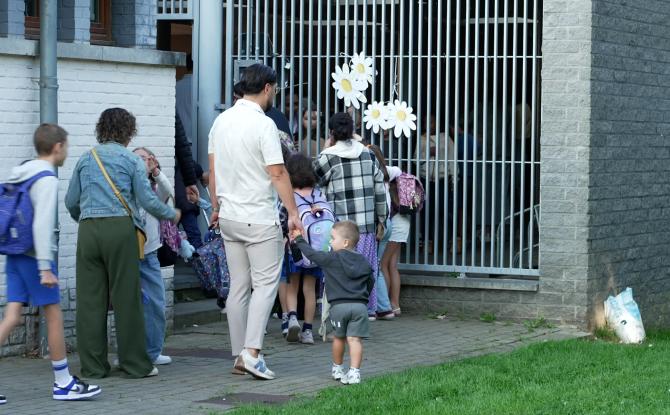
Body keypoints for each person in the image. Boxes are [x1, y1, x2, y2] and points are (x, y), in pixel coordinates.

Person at [65, 108, 180, 379]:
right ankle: (134, 364)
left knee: (91, 301)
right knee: (126, 298)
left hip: (89, 231)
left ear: (101, 129)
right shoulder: (131, 161)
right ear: (128, 132)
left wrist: (85, 219)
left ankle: (93, 366)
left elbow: (72, 202)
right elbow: (147, 200)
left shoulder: (86, 158)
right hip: (121, 230)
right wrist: (171, 214)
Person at [207, 64, 303, 380]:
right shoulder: (263, 125)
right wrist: (293, 212)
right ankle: (252, 353)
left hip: (229, 217)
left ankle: (239, 354)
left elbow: (213, 173)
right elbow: (277, 172)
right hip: (259, 217)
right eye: (274, 88)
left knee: (238, 287)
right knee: (264, 286)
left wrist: (216, 206)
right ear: (267, 88)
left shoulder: (220, 122)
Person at [0, 124, 102, 403]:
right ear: (58, 147)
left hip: (15, 252)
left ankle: (64, 382)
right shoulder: (45, 178)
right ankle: (63, 382)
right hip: (35, 257)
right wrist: (45, 266)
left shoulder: (21, 170)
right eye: (66, 146)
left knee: (11, 317)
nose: (67, 151)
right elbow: (42, 225)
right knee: (54, 315)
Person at [313, 112, 387, 320]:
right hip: (365, 226)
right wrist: (381, 219)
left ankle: (338, 309)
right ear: (353, 132)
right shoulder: (368, 154)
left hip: (339, 228)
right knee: (366, 268)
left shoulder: (328, 156)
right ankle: (367, 310)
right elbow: (380, 189)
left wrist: (325, 148)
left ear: (331, 133)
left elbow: (312, 180)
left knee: (338, 270)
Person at [291, 221, 374, 385]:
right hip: (359, 307)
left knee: (339, 338)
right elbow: (370, 280)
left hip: (339, 307)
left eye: (332, 238)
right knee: (355, 340)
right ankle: (355, 372)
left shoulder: (331, 258)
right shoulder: (363, 261)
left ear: (345, 242)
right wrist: (363, 296)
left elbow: (312, 254)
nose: (330, 241)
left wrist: (299, 239)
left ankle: (337, 368)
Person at [132, 147, 174, 366]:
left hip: (149, 252)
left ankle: (152, 351)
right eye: (137, 157)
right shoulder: (127, 184)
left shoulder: (154, 188)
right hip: (129, 252)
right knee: (130, 304)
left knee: (155, 302)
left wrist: (156, 171)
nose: (142, 161)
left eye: (146, 158)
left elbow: (170, 193)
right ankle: (131, 350)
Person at [283, 153, 327, 344]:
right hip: (317, 248)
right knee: (310, 289)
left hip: (296, 245)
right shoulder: (319, 193)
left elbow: (282, 219)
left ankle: (292, 317)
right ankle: (308, 330)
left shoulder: (289, 195)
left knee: (292, 285)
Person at [366, 145, 396, 320]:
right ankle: (384, 307)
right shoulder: (386, 174)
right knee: (376, 266)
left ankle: (379, 307)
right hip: (388, 222)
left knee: (373, 267)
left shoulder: (371, 176)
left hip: (379, 223)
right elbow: (398, 170)